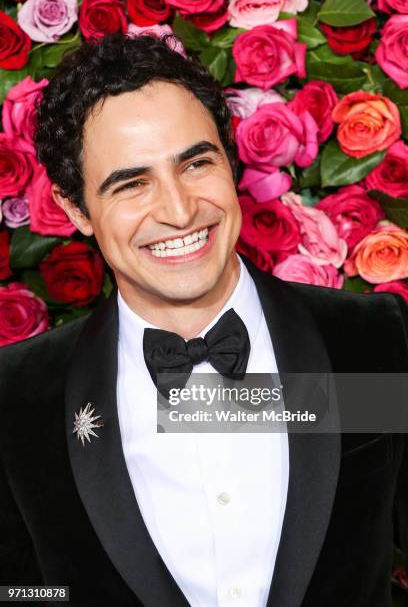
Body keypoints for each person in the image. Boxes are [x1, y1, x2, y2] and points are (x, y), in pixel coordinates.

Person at [0, 33, 407, 607]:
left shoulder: (369, 342)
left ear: (229, 159)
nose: (179, 210)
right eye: (131, 184)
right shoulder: (17, 397)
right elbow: (20, 590)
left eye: (195, 163)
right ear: (75, 208)